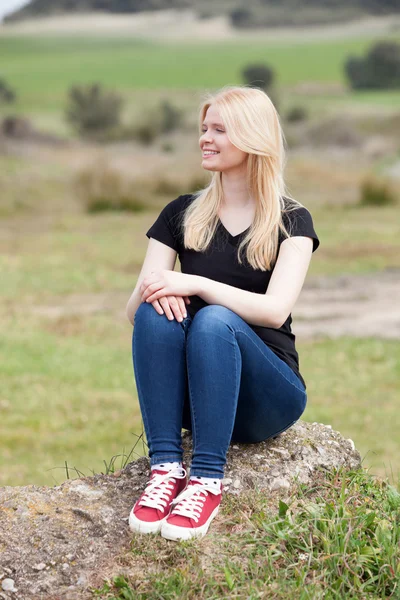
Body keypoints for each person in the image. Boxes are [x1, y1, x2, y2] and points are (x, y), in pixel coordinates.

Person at [125, 85, 320, 542]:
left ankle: (207, 481)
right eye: (203, 129)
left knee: (213, 320)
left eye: (219, 130)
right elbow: (133, 312)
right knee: (156, 312)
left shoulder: (292, 221)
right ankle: (166, 469)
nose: (204, 139)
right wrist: (155, 292)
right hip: (201, 398)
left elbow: (274, 312)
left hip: (268, 397)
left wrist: (194, 284)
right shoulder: (181, 215)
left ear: (253, 139)